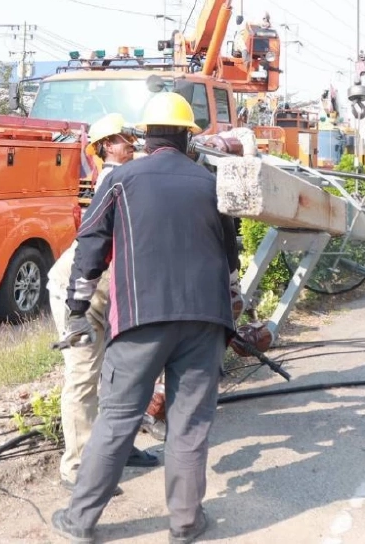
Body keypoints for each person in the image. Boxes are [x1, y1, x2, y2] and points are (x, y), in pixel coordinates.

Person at [52, 92, 240, 544]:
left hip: (140, 319)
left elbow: (90, 246)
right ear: (187, 137)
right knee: (189, 425)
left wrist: (77, 311)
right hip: (204, 320)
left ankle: (80, 523)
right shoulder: (209, 182)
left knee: (117, 418)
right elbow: (231, 255)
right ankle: (185, 524)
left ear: (146, 135)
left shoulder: (122, 180)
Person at [46, 114, 159, 489]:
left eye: (131, 137)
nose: (132, 143)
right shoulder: (113, 178)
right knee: (83, 378)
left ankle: (118, 449)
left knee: (117, 375)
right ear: (106, 146)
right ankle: (77, 470)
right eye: (124, 138)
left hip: (106, 288)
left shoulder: (124, 177)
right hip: (77, 288)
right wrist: (76, 311)